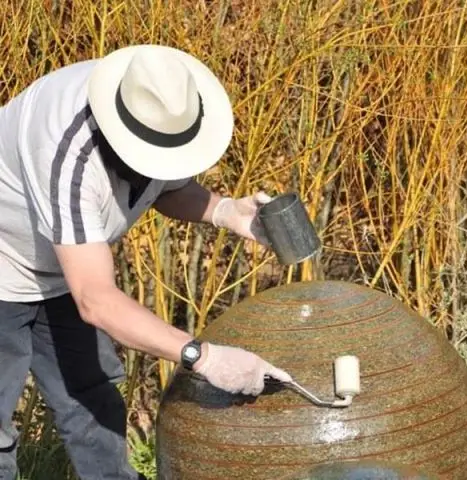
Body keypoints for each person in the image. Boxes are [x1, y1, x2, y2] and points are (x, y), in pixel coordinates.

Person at [0, 44, 293, 479]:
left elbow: (168, 190)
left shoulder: (158, 110)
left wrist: (226, 211)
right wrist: (203, 356)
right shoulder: (67, 153)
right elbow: (96, 300)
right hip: (7, 268)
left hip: (65, 266)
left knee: (91, 394)